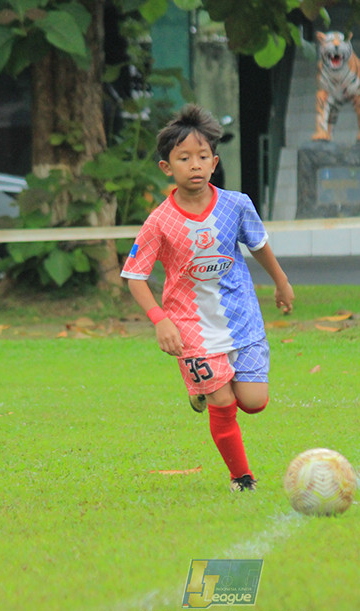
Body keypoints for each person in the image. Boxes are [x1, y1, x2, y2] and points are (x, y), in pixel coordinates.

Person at [121, 104, 295, 492]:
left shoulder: (237, 204)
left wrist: (281, 282)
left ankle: (203, 391)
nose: (194, 165)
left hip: (242, 318)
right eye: (184, 158)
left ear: (214, 162)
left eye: (202, 157)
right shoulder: (159, 221)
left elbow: (260, 245)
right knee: (222, 403)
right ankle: (242, 478)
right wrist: (159, 320)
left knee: (253, 401)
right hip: (190, 328)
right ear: (167, 167)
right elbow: (135, 277)